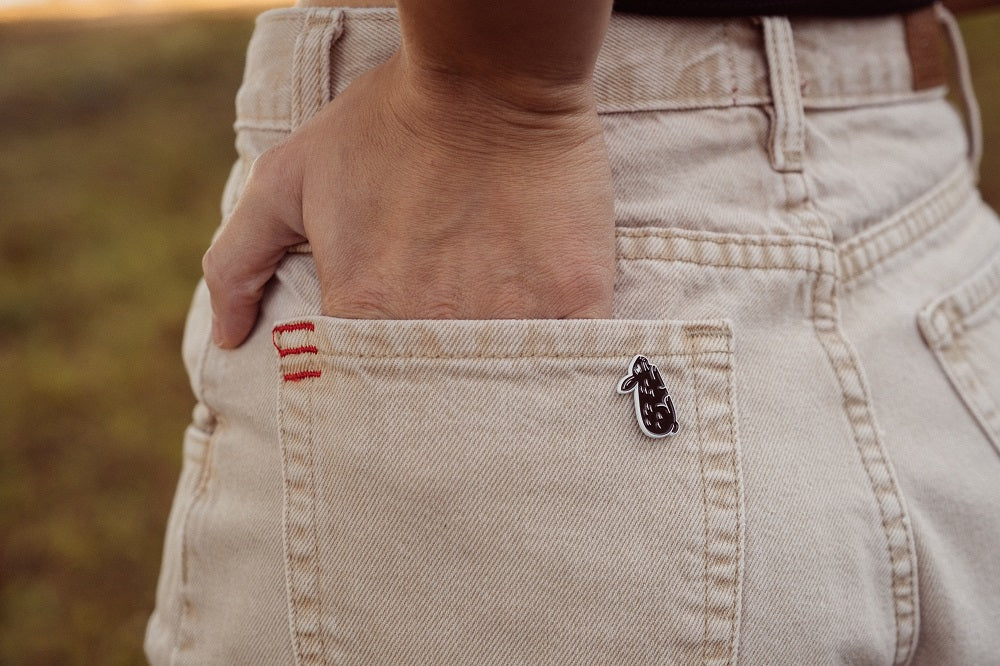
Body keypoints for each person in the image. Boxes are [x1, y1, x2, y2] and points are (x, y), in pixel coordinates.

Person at [147, 0, 1000, 663]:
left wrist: (491, 90)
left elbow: (497, 82)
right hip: (907, 178)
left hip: (529, 129)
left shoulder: (495, 99)